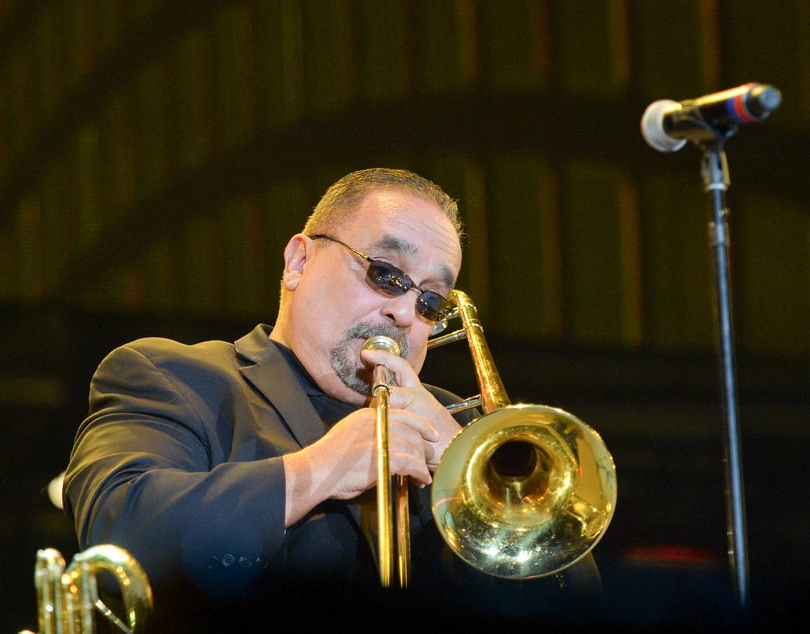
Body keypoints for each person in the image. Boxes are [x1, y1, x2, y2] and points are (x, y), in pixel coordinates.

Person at [63, 168, 603, 631]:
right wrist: (320, 468)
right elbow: (119, 541)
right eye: (386, 274)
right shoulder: (176, 377)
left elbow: (578, 608)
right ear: (298, 261)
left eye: (432, 301)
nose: (406, 314)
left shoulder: (459, 438)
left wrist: (468, 488)